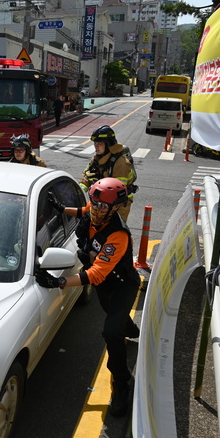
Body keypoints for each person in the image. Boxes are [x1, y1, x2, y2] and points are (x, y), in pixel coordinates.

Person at [46, 177, 141, 417]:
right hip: (106, 285)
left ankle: (122, 384)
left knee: (111, 332)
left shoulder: (118, 235)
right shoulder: (95, 211)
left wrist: (60, 282)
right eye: (94, 203)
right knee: (113, 315)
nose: (96, 209)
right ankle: (129, 328)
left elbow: (96, 274)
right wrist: (60, 208)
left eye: (102, 206)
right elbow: (82, 211)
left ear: (115, 208)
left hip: (121, 285)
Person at [80, 125, 136, 222]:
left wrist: (96, 186)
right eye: (95, 143)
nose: (96, 146)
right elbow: (85, 177)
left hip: (119, 205)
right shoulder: (96, 159)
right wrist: (76, 193)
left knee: (115, 232)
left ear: (108, 145)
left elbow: (116, 191)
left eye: (100, 143)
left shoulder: (121, 163)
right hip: (101, 204)